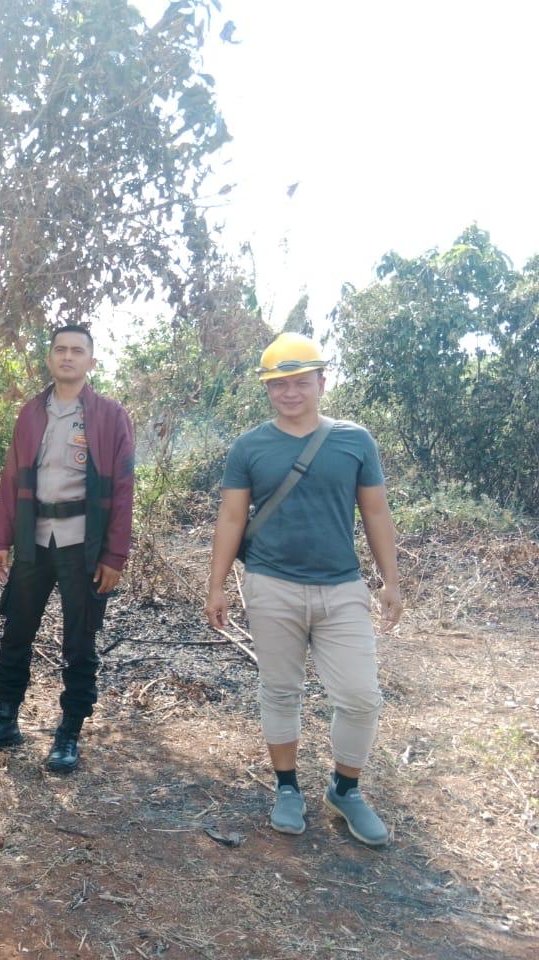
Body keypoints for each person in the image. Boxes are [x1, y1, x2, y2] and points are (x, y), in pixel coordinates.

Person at [204, 332, 403, 847]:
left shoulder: (355, 441)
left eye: (300, 382)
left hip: (342, 588)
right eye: (278, 384)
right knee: (280, 690)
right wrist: (217, 585)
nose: (289, 392)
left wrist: (391, 580)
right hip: (271, 585)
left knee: (361, 697)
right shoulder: (249, 446)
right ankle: (287, 787)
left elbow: (376, 511)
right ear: (268, 389)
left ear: (321, 382)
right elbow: (232, 517)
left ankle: (345, 789)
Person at [0, 324, 135, 773]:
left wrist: (115, 555)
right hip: (34, 537)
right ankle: (5, 721)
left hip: (84, 542)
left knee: (80, 641)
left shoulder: (109, 415)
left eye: (77, 350)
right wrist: (1, 539)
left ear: (90, 362)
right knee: (17, 631)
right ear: (49, 359)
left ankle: (69, 733)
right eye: (60, 349)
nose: (67, 356)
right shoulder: (30, 413)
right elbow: (11, 479)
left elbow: (123, 487)